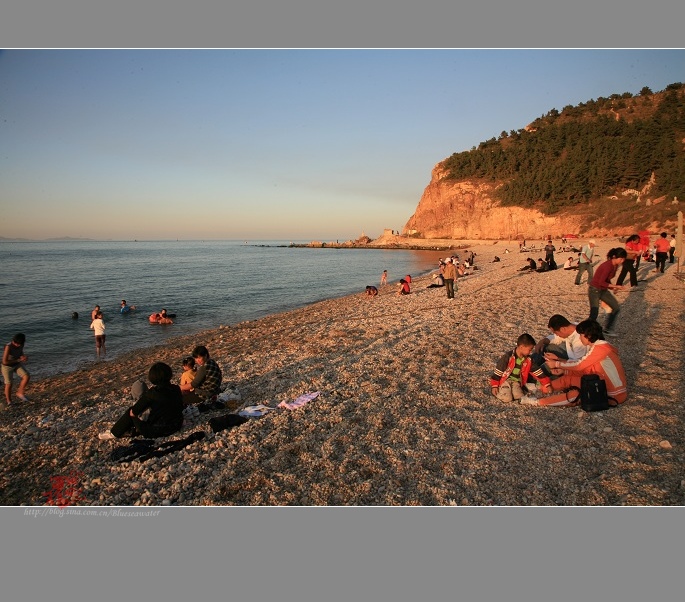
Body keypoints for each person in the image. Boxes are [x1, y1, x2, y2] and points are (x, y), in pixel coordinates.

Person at [529, 319, 627, 407]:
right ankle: (541, 388)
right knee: (567, 377)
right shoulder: (600, 346)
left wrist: (556, 364)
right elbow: (584, 365)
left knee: (575, 394)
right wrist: (564, 370)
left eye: (581, 335)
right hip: (601, 383)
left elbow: (579, 365)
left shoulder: (601, 349)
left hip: (611, 394)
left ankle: (539, 402)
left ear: (588, 335)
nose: (580, 338)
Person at [98, 362, 184, 440]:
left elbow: (134, 411)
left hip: (157, 430)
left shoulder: (152, 394)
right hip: (177, 425)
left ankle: (114, 433)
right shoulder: (176, 388)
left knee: (130, 412)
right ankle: (125, 430)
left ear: (153, 378)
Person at [489, 333, 552, 403]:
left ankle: (511, 391)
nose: (530, 352)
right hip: (505, 381)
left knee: (519, 396)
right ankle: (499, 392)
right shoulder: (508, 357)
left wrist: (547, 384)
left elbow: (537, 371)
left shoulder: (528, 360)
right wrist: (494, 385)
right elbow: (499, 371)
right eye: (529, 349)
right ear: (521, 347)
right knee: (507, 399)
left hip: (517, 382)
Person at [588, 247, 627, 336]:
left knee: (616, 307)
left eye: (623, 259)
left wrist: (613, 288)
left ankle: (608, 329)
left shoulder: (615, 266)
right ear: (614, 257)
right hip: (594, 290)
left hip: (603, 290)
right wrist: (615, 286)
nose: (622, 261)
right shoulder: (607, 266)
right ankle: (587, 332)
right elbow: (601, 282)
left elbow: (606, 280)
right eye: (621, 259)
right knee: (594, 313)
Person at [2, 333, 30, 408]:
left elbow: (20, 353)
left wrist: (23, 357)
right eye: (16, 343)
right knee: (9, 383)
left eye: (19, 344)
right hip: (7, 366)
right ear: (13, 341)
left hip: (16, 364)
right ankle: (9, 401)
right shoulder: (8, 346)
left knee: (26, 376)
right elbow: (4, 361)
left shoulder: (21, 345)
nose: (17, 345)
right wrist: (18, 360)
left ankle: (20, 392)